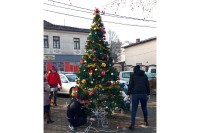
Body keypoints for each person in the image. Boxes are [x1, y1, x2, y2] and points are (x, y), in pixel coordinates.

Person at [127, 65, 150, 131]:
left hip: (135, 94)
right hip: (144, 94)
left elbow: (130, 85)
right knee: (144, 108)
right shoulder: (144, 76)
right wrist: (148, 94)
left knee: (134, 109)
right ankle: (146, 122)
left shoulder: (133, 75)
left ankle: (132, 125)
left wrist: (128, 94)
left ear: (134, 69)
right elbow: (147, 85)